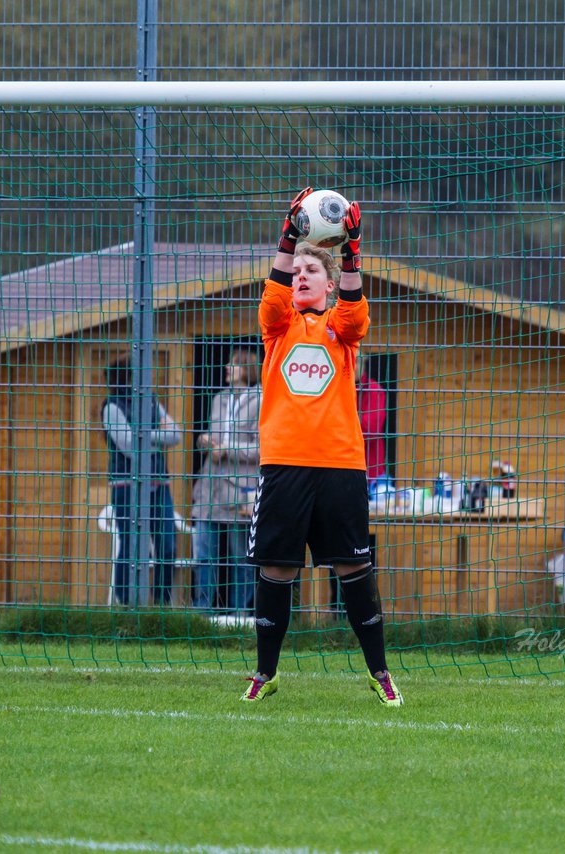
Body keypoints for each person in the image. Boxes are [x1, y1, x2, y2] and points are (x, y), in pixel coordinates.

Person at [241, 188, 403, 707]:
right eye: (298, 272)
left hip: (339, 466)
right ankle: (266, 672)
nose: (302, 277)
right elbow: (270, 299)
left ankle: (379, 672)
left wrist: (353, 252)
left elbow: (357, 314)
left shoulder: (340, 330)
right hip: (285, 465)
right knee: (277, 569)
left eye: (314, 271)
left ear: (331, 285)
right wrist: (288, 239)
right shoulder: (278, 327)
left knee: (353, 568)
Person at [101, 356, 180, 606]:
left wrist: (145, 435)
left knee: (167, 546)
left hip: (159, 486)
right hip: (127, 486)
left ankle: (161, 604)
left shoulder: (151, 402)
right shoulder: (112, 407)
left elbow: (176, 435)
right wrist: (155, 437)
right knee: (133, 546)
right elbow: (128, 447)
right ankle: (127, 603)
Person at [191, 349, 262, 614]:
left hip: (240, 491)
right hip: (209, 487)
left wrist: (227, 448)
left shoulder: (262, 400)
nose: (227, 367)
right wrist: (204, 441)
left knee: (239, 558)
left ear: (248, 369)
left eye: (234, 364)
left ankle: (239, 614)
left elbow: (262, 449)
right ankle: (202, 612)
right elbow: (211, 435)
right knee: (203, 555)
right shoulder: (219, 398)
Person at [356, 353, 388, 481]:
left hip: (371, 465)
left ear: (363, 365)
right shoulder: (336, 388)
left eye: (357, 362)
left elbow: (371, 428)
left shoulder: (374, 389)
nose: (354, 366)